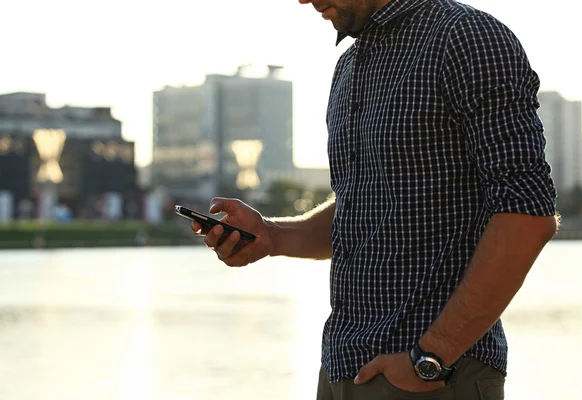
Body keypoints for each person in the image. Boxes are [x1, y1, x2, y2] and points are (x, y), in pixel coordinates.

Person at [192, 0, 558, 398]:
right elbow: (366, 207)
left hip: (431, 377)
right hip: (342, 370)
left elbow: (527, 212)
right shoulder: (350, 65)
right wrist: (272, 235)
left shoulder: (466, 37)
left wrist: (431, 357)